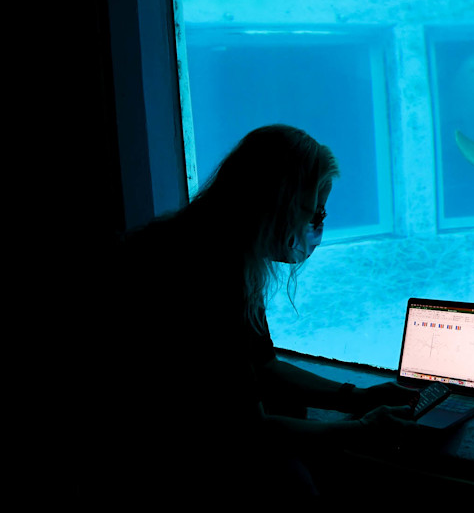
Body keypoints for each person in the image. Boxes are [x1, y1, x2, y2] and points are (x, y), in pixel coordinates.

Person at [100, 124, 419, 502]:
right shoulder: (208, 275)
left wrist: (357, 396)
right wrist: (361, 429)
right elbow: (245, 432)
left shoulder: (214, 246)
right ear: (281, 202)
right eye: (315, 212)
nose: (317, 226)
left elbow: (261, 365)